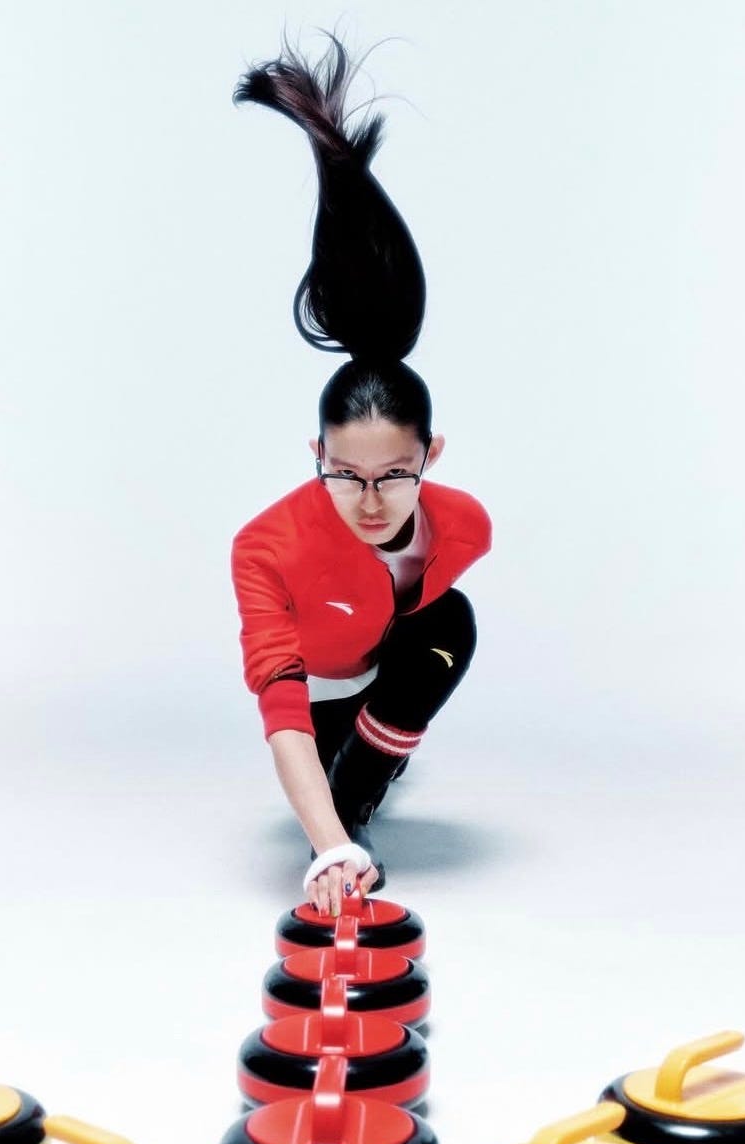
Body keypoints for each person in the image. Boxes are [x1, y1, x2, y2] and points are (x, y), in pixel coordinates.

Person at [230, 27, 492, 917]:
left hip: (384, 688)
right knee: (329, 770)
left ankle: (364, 787)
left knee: (453, 619)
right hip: (323, 707)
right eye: (345, 475)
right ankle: (343, 812)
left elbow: (421, 629)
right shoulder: (264, 548)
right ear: (317, 458)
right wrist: (330, 843)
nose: (370, 501)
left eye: (394, 476)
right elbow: (281, 706)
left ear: (430, 458)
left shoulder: (464, 527)